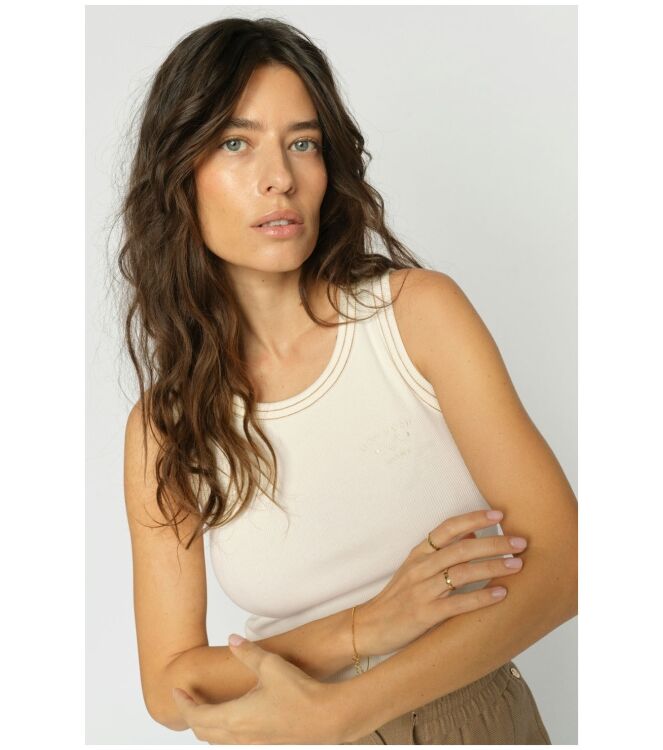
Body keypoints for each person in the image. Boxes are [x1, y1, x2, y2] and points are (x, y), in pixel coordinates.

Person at [118, 16, 577, 744]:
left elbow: (568, 564)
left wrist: (346, 708)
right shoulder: (165, 427)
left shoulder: (415, 317)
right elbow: (171, 687)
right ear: (180, 174)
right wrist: (366, 628)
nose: (279, 177)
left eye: (302, 143)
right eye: (236, 143)